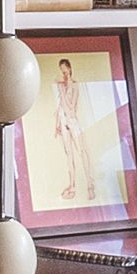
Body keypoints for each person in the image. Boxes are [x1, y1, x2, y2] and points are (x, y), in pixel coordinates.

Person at [52, 55, 97, 202]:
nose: (64, 75)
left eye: (65, 71)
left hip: (72, 121)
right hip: (64, 121)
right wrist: (57, 124)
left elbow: (71, 107)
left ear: (70, 70)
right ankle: (72, 185)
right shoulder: (61, 86)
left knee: (82, 151)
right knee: (69, 155)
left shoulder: (74, 86)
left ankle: (90, 185)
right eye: (62, 72)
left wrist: (63, 92)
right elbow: (59, 108)